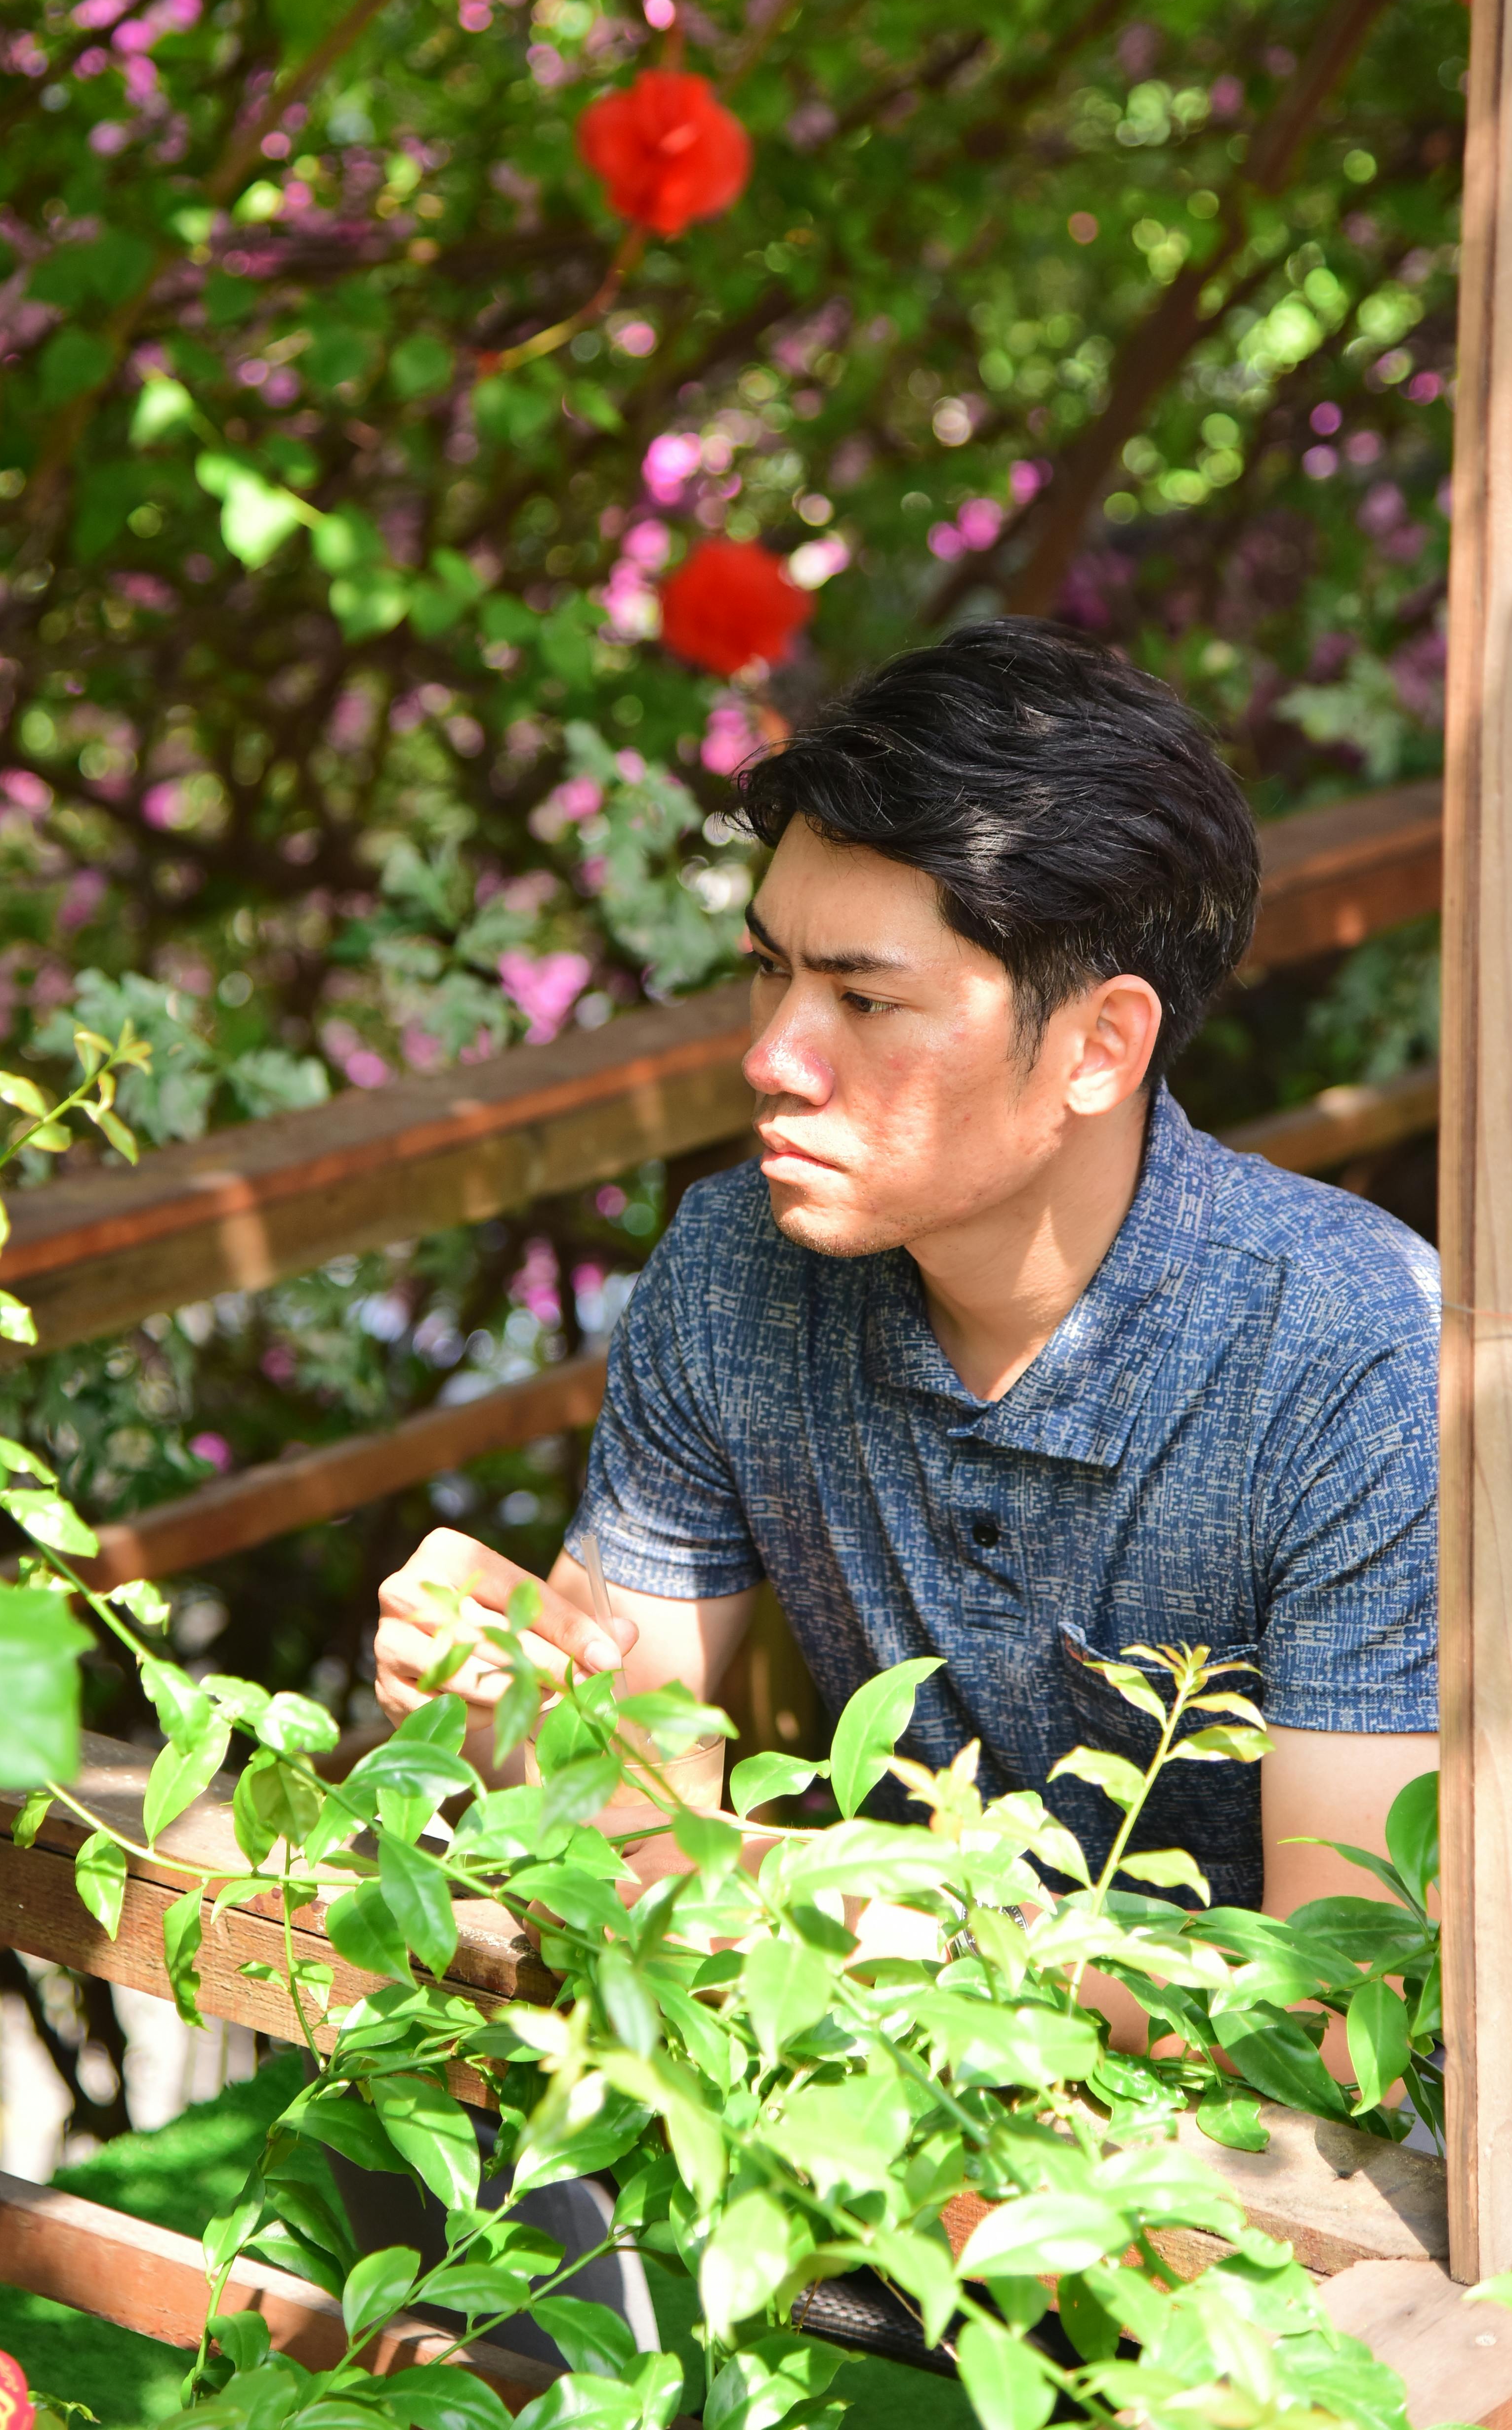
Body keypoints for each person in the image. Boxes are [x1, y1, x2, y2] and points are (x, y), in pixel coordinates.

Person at [373, 622, 1439, 1963]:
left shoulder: (1357, 1358)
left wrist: (857, 1921)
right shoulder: (732, 1273)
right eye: (769, 972)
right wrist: (508, 1712)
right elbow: (636, 1823)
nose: (773, 1057)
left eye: (864, 1003)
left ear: (1100, 1046)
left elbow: (1348, 1988)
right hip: (867, 2088)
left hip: (1278, 2154)